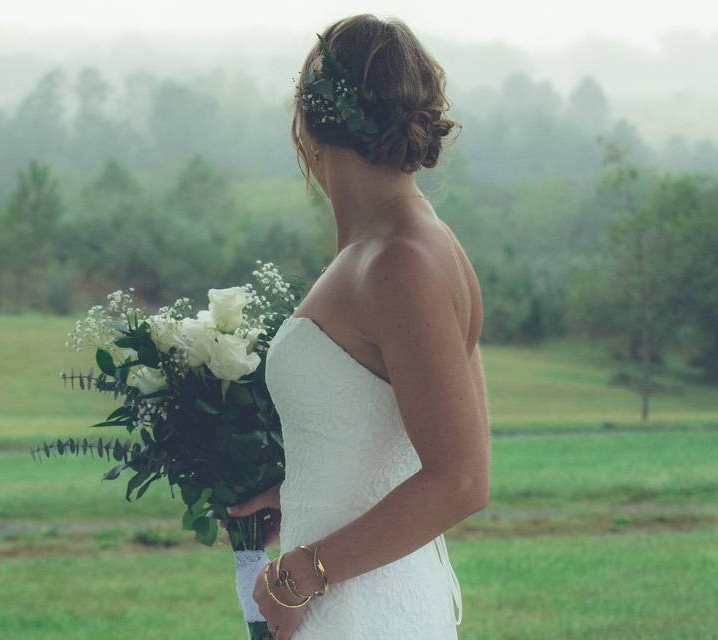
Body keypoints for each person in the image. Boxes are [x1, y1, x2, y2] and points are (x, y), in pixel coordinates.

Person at [218, 13, 491, 639]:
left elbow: (463, 479)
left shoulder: (401, 261)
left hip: (361, 610)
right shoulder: (407, 247)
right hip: (354, 591)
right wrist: (305, 491)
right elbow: (387, 429)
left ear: (307, 123)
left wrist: (299, 577)